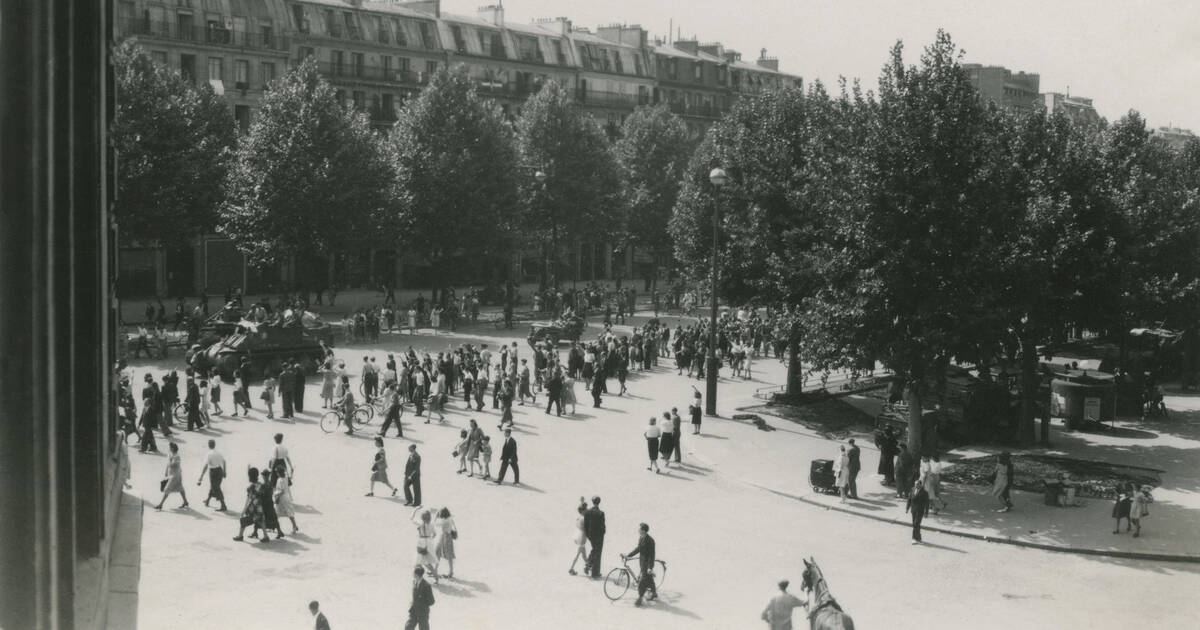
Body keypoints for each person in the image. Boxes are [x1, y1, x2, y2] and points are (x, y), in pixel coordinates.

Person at [622, 523, 657, 607]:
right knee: (649, 578)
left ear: (643, 531)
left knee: (642, 581)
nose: (638, 530)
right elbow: (638, 549)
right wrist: (628, 556)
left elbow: (652, 556)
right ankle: (654, 592)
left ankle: (640, 598)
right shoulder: (641, 538)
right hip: (642, 562)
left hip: (647, 563)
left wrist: (649, 567)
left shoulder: (650, 541)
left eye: (640, 529)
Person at [154, 442, 188, 510]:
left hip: (175, 475)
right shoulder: (171, 454)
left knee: (167, 489)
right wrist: (166, 472)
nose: (169, 448)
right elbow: (168, 465)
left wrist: (170, 462)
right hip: (172, 474)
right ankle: (185, 502)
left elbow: (175, 465)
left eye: (170, 447)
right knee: (180, 488)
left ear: (172, 448)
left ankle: (160, 504)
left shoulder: (176, 456)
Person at [233, 467, 264, 542]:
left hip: (252, 507)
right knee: (260, 520)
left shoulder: (250, 487)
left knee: (243, 520)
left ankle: (240, 536)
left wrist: (244, 510)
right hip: (259, 506)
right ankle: (265, 536)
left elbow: (248, 499)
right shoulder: (260, 485)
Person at [196, 439, 227, 511]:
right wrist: (225, 472)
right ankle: (207, 500)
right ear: (214, 445)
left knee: (216, 488)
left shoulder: (209, 454)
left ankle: (223, 505)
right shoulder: (218, 453)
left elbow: (206, 466)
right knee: (214, 486)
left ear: (209, 445)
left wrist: (201, 476)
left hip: (213, 472)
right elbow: (224, 461)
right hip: (220, 470)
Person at [411, 508, 440, 582]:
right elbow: (434, 534)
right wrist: (430, 540)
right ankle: (436, 578)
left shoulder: (420, 524)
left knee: (418, 562)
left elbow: (411, 518)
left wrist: (415, 509)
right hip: (429, 543)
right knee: (428, 563)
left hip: (421, 543)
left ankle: (417, 578)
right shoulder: (431, 524)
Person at [405, 566, 435, 630]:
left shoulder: (426, 585)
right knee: (408, 627)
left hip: (423, 612)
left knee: (423, 628)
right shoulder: (414, 582)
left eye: (414, 573)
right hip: (414, 610)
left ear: (417, 575)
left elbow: (432, 601)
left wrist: (422, 604)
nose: (413, 575)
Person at [584, 496, 606, 579]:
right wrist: (603, 533)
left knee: (594, 550)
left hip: (591, 536)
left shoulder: (587, 512)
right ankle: (594, 572)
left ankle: (589, 565)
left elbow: (586, 525)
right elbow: (602, 526)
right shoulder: (601, 513)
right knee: (598, 553)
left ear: (592, 502)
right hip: (599, 536)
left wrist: (588, 535)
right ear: (599, 502)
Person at [435, 507, 457, 578]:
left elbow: (435, 524)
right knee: (446, 554)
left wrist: (436, 516)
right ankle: (450, 572)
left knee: (441, 553)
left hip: (445, 537)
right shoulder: (450, 518)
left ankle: (448, 572)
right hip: (447, 537)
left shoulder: (445, 521)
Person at [906, 478, 930, 544]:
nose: (916, 485)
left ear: (920, 485)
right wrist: (907, 508)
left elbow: (927, 503)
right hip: (913, 510)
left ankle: (914, 538)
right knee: (916, 525)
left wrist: (926, 513)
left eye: (917, 484)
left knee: (916, 524)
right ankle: (919, 539)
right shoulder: (912, 489)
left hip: (920, 511)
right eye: (915, 484)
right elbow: (909, 499)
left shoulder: (925, 493)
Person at [569, 498, 589, 575]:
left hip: (577, 534)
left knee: (583, 554)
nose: (587, 509)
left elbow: (582, 507)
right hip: (582, 537)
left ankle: (588, 566)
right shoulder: (584, 519)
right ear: (583, 510)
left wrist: (582, 501)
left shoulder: (579, 517)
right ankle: (571, 568)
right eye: (586, 509)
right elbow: (587, 529)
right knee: (577, 554)